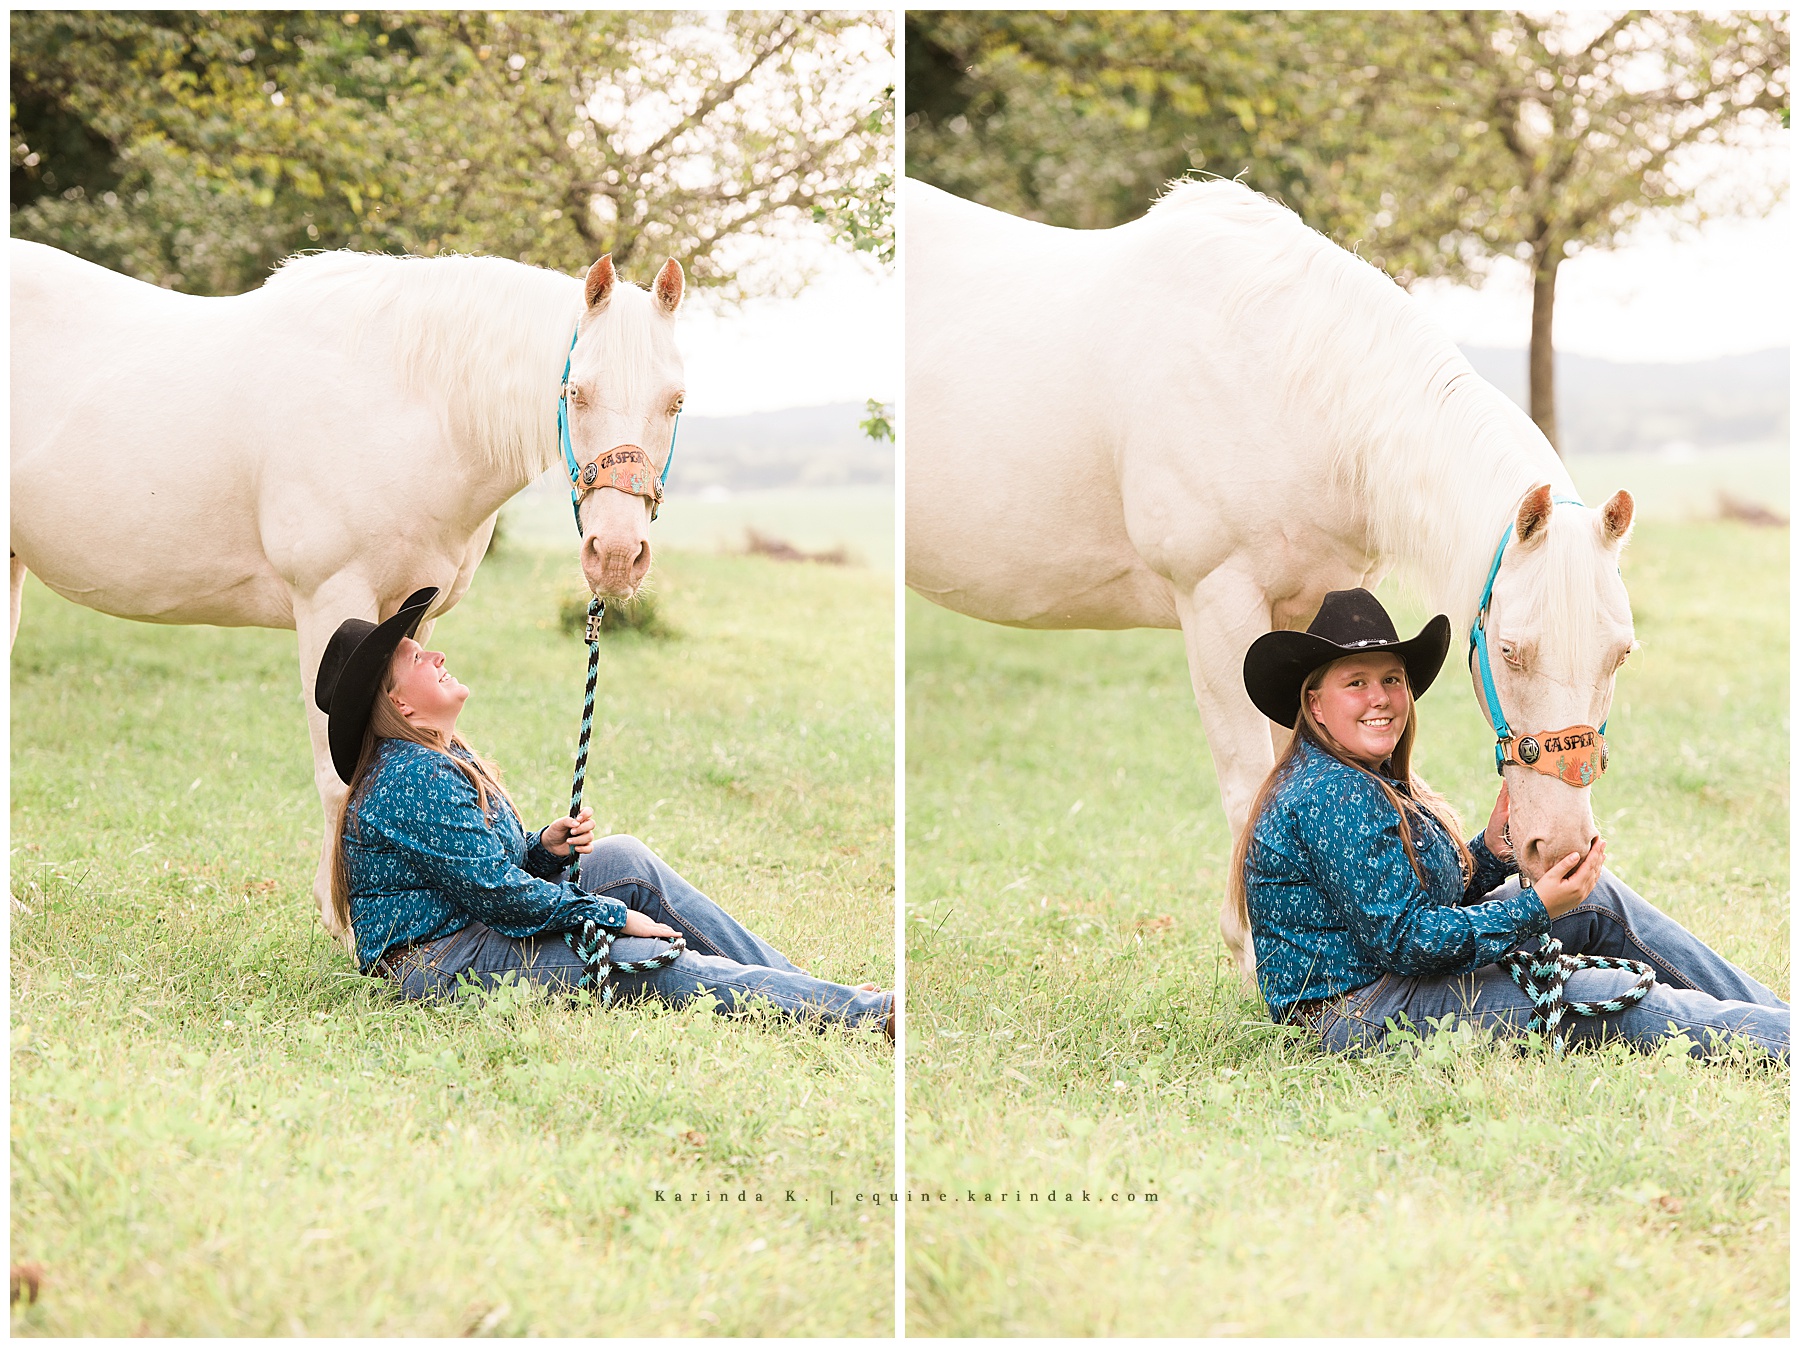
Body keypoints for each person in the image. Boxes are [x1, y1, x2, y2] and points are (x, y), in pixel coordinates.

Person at [312, 586, 893, 1037]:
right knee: (645, 961)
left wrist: (542, 848)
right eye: (415, 657)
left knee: (626, 859)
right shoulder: (410, 776)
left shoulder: (438, 755)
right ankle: (863, 1015)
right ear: (401, 704)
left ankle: (808, 989)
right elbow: (498, 894)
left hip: (472, 921)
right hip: (439, 961)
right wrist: (613, 918)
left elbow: (489, 870)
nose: (436, 654)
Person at [1232, 587, 1787, 1059]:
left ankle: (1779, 1019)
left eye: (1392, 679)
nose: (1381, 699)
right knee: (1612, 996)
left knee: (1599, 900)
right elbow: (1408, 941)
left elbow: (1411, 901)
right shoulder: (1332, 792)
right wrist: (1536, 907)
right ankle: (1781, 1042)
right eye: (1356, 682)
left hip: (1389, 979)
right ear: (1316, 704)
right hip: (1360, 1011)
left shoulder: (1358, 775)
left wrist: (1490, 853)